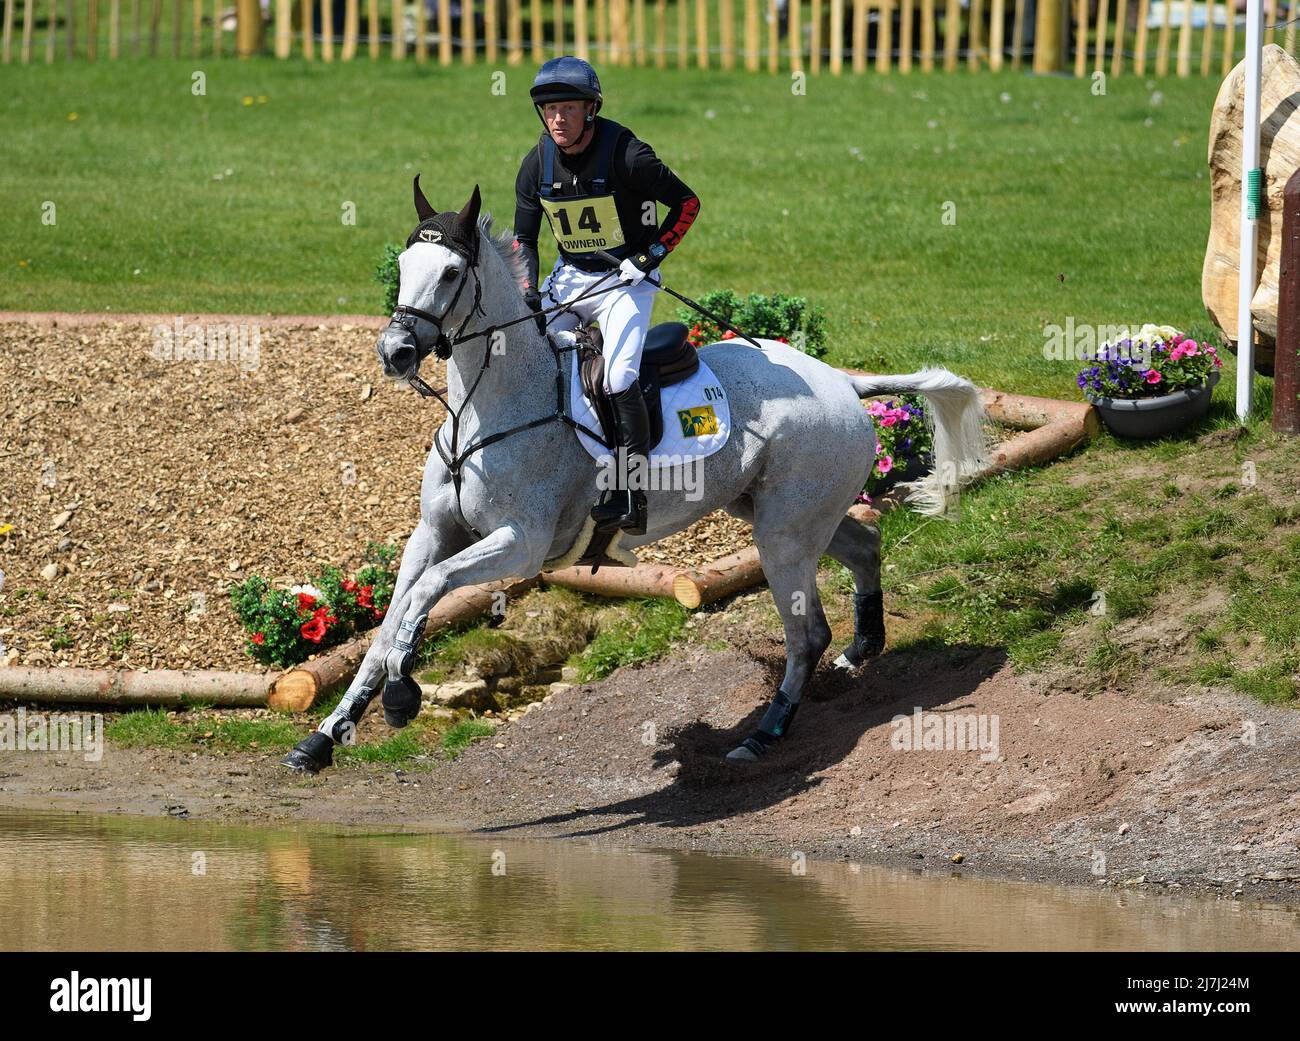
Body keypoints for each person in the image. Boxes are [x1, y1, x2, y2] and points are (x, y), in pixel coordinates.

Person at [514, 55, 701, 536]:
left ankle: (629, 491)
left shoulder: (629, 155)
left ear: (591, 110)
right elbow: (524, 240)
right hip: (570, 278)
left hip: (624, 281)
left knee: (618, 377)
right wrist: (529, 291)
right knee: (531, 362)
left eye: (569, 109)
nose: (558, 119)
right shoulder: (536, 163)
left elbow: (687, 203)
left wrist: (650, 256)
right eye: (550, 109)